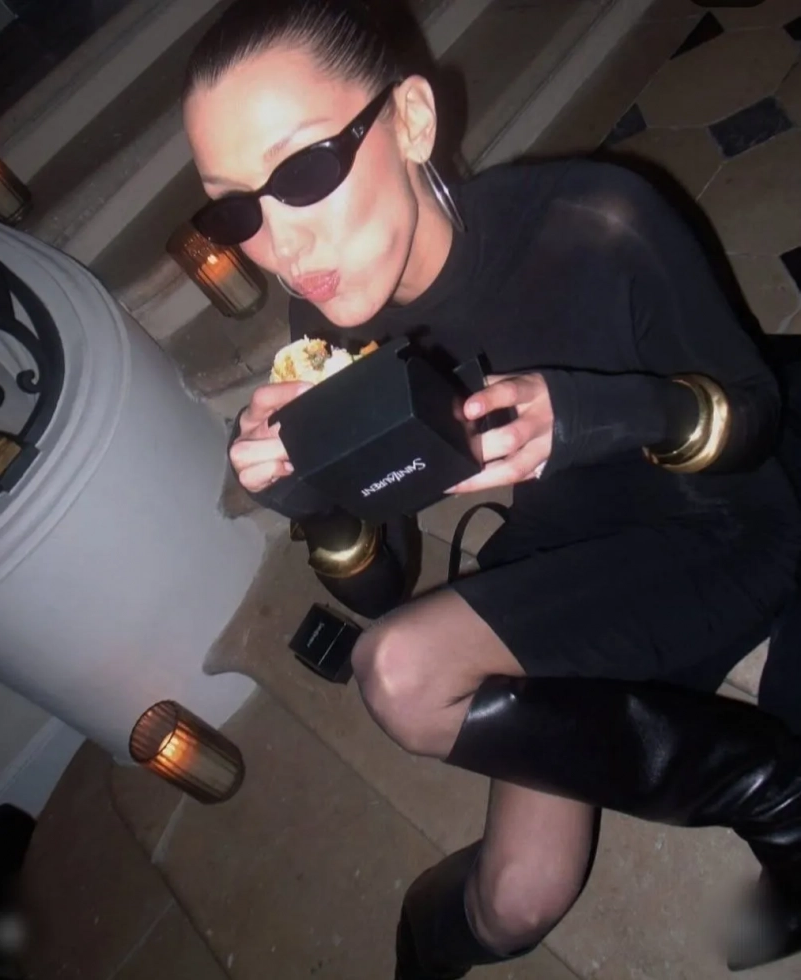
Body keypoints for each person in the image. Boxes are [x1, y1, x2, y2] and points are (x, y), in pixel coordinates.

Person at [183, 1, 801, 974]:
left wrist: (595, 413)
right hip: (568, 549)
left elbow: (755, 418)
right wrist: (310, 497)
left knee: (401, 671)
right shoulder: (333, 330)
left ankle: (778, 795)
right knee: (515, 900)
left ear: (411, 119)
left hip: (718, 532)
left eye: (302, 172)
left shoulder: (595, 219)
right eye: (234, 209)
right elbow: (384, 578)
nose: (282, 247)